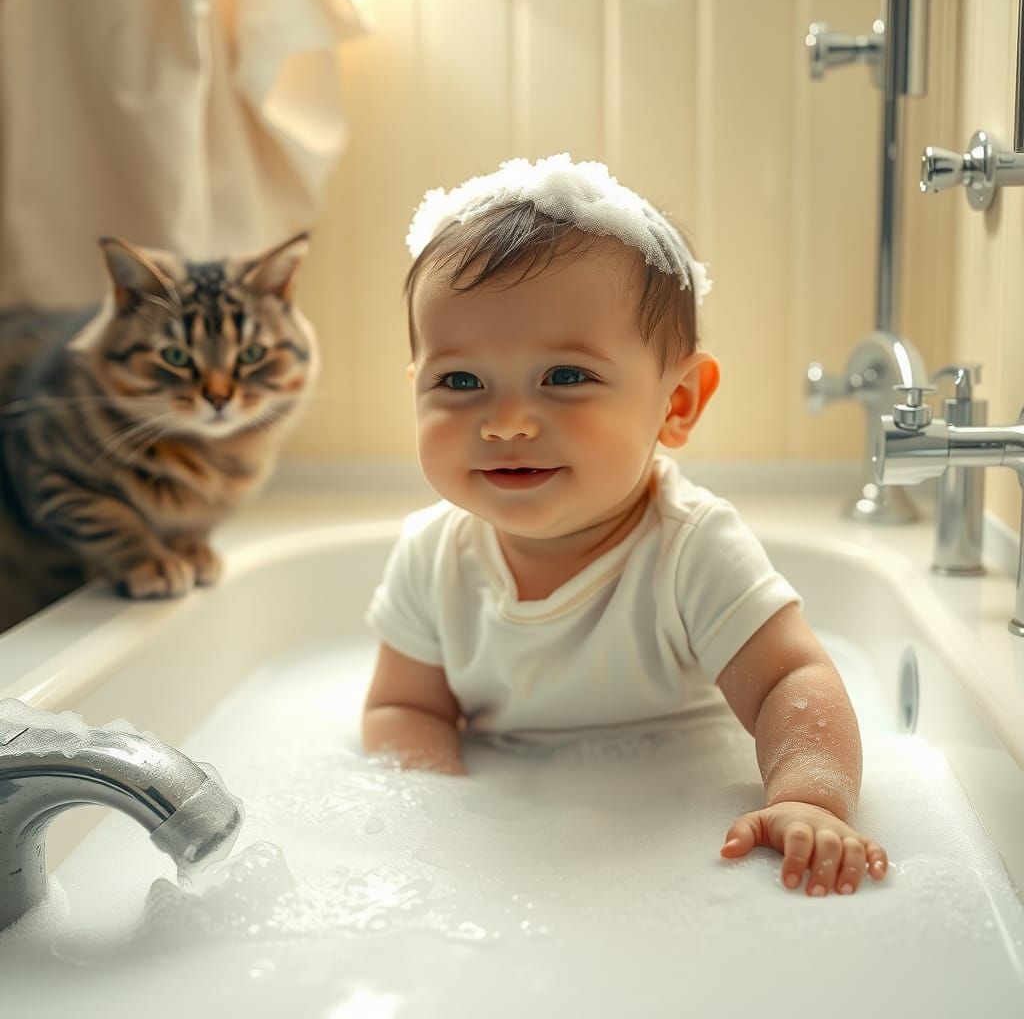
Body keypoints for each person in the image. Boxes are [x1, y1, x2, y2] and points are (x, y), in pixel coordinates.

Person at [362, 154, 888, 897]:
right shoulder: (431, 554)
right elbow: (404, 707)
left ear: (677, 403)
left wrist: (809, 798)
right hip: (512, 852)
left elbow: (790, 681)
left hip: (675, 833)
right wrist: (439, 815)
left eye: (565, 377)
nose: (507, 422)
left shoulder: (690, 548)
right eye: (460, 381)